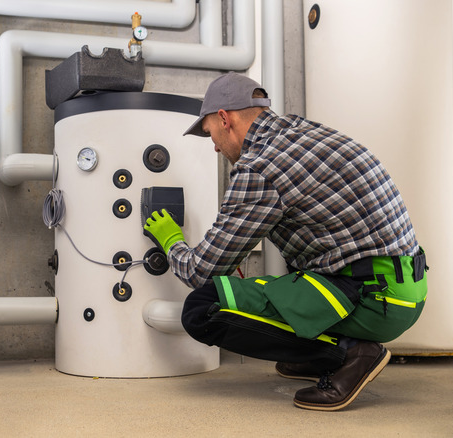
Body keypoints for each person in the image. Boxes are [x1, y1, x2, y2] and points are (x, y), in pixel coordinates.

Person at [143, 72, 428, 411]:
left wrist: (171, 239)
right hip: (409, 287)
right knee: (276, 286)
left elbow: (198, 272)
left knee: (202, 309)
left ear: (224, 118)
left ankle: (350, 352)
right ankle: (323, 353)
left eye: (211, 134)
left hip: (373, 299)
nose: (215, 146)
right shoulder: (303, 131)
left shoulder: (259, 167)